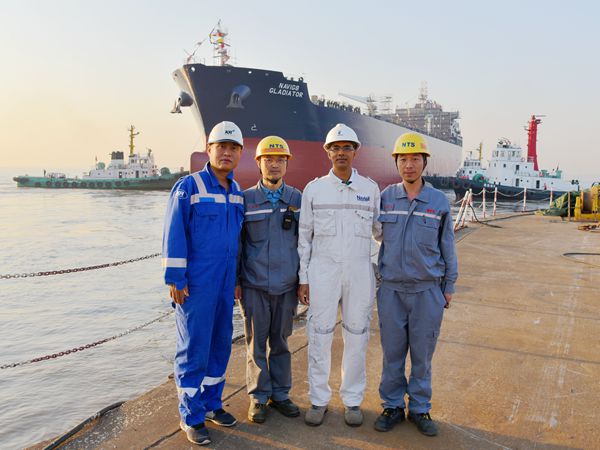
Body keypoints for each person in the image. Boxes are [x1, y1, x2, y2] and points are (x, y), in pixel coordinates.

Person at [162, 121, 245, 446]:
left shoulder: (236, 193)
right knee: (194, 348)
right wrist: (175, 278)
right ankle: (191, 416)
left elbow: (237, 242)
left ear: (240, 154)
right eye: (221, 146)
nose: (227, 153)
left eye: (233, 148)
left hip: (224, 284)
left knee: (220, 344)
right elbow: (174, 232)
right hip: (195, 284)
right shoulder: (189, 187)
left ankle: (211, 404)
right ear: (209, 149)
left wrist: (236, 280)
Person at [373, 132, 458, 437]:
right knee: (392, 354)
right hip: (392, 291)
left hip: (427, 291)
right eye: (403, 159)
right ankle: (393, 406)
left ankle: (420, 408)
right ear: (396, 163)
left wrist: (449, 286)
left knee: (422, 356)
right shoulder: (385, 198)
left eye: (415, 159)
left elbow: (448, 246)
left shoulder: (438, 202)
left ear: (424, 163)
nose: (409, 165)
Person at [297, 123, 381, 427]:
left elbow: (381, 233)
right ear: (328, 152)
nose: (341, 152)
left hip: (359, 272)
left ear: (356, 152)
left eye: (347, 147)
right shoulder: (314, 190)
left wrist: (378, 267)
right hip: (322, 271)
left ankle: (353, 400)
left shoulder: (370, 189)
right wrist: (303, 278)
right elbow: (304, 237)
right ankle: (318, 400)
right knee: (319, 335)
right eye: (335, 148)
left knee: (357, 335)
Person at [235, 136, 303, 424]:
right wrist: (236, 282)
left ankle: (281, 394)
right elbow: (237, 245)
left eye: (280, 160)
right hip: (254, 286)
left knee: (281, 342)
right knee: (255, 343)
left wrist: (303, 281)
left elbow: (306, 243)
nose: (274, 165)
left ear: (287, 164)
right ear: (259, 163)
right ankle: (259, 397)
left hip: (287, 286)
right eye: (268, 160)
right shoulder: (246, 200)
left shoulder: (298, 200)